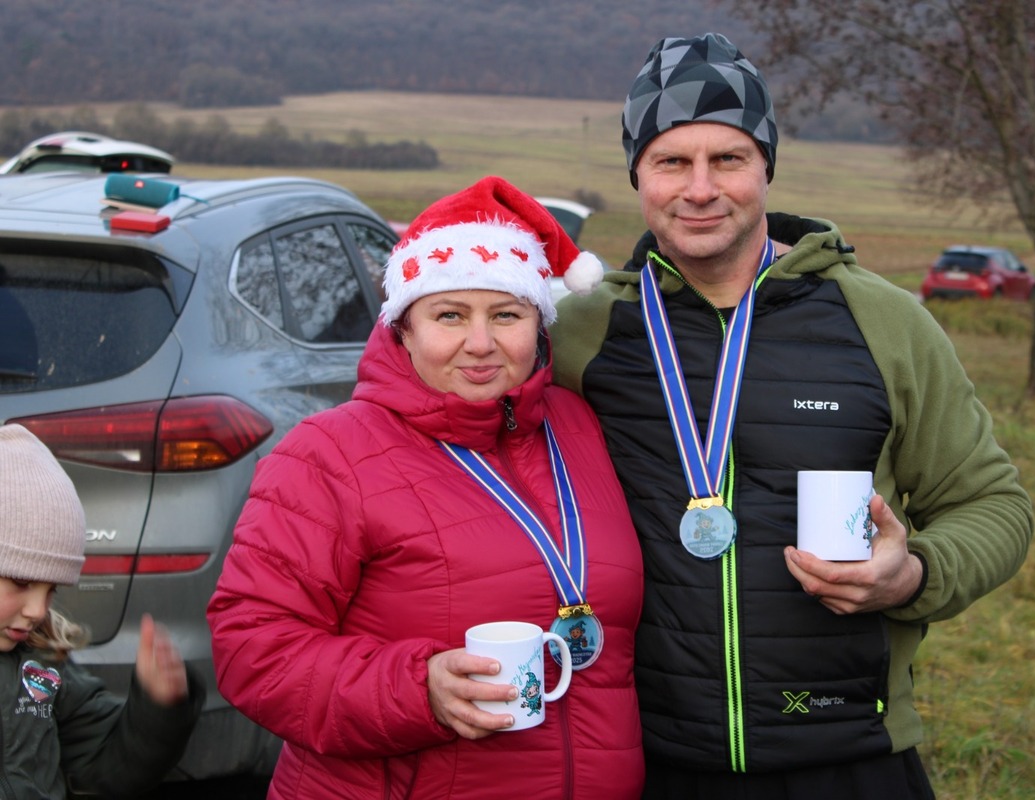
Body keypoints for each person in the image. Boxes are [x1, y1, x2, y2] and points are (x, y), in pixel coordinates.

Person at [551, 32, 1034, 799]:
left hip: (848, 751)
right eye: (672, 161)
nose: (700, 188)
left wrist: (911, 575)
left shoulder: (884, 321)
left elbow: (993, 504)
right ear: (638, 174)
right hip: (645, 759)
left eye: (729, 159)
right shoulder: (581, 333)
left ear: (766, 168)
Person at [207, 176, 644, 799]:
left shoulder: (578, 428)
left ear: (540, 323)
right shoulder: (329, 454)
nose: (481, 343)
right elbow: (252, 651)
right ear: (403, 327)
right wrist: (418, 690)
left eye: (506, 315)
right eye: (449, 315)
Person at [0, 423, 203, 799]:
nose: (37, 610)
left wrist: (157, 710)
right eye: (21, 582)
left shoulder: (42, 664)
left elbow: (104, 764)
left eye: (52, 589)